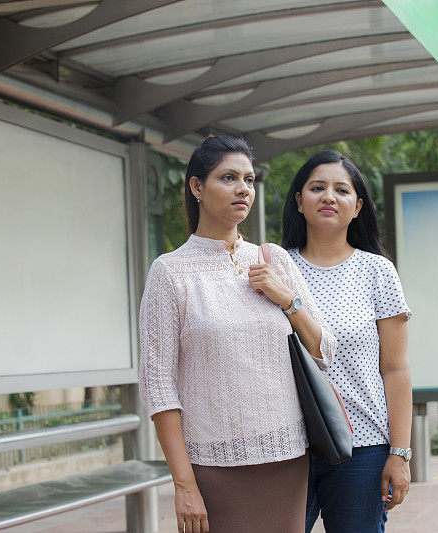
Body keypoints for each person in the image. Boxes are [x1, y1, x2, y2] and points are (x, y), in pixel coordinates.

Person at [138, 136, 336, 533]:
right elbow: (158, 386)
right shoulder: (169, 272)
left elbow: (323, 349)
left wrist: (286, 298)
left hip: (287, 456)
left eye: (247, 179)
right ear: (197, 187)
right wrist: (184, 484)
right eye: (228, 177)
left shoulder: (272, 258)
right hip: (212, 465)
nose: (243, 188)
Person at [282, 150, 413, 533]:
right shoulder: (275, 267)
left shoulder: (378, 272)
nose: (328, 197)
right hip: (289, 447)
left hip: (364, 449)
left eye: (341, 190)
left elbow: (396, 368)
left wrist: (399, 454)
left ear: (356, 207)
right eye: (317, 188)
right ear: (299, 201)